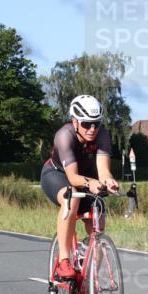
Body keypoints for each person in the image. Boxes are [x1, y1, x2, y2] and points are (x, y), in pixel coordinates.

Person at [41, 95, 120, 279]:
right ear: (75, 121)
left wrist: (109, 181)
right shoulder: (64, 136)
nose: (92, 129)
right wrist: (90, 183)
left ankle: (91, 279)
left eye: (96, 123)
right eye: (86, 124)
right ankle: (64, 259)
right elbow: (73, 177)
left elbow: (103, 170)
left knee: (98, 211)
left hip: (85, 177)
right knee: (72, 198)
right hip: (57, 175)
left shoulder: (103, 136)